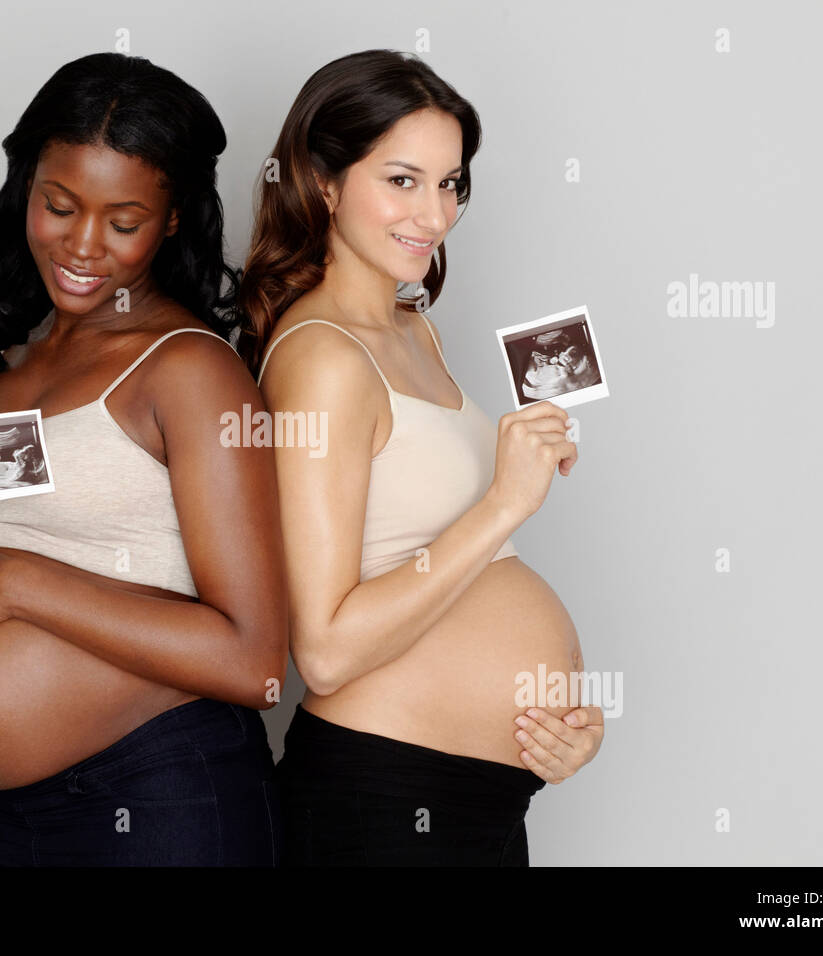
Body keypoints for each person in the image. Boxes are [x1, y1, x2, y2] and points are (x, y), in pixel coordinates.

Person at [0, 52, 287, 866]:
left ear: (172, 221)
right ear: (26, 189)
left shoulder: (187, 371)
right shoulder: (5, 369)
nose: (83, 245)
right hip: (5, 815)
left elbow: (255, 659)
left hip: (162, 795)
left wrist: (15, 579)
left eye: (123, 222)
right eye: (58, 206)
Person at [237, 49, 604, 866]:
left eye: (451, 183)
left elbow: (464, 576)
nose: (434, 217)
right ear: (324, 181)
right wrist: (504, 503)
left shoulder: (413, 330)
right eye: (402, 180)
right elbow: (326, 650)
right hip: (385, 801)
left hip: (477, 801)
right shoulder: (323, 361)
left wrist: (561, 727)